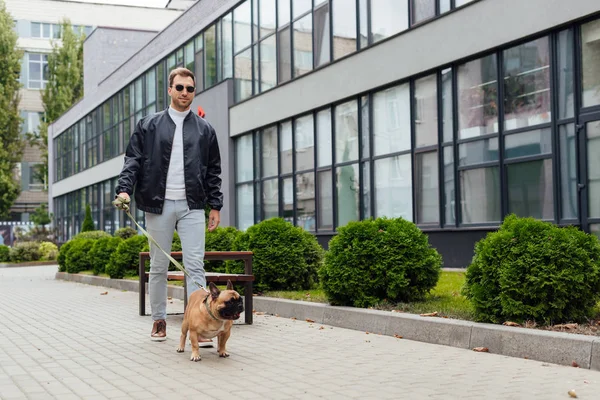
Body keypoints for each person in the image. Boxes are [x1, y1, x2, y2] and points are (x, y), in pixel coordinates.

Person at [114, 67, 223, 344]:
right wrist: (124, 190)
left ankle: (202, 322)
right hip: (157, 205)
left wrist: (215, 205)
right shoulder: (148, 125)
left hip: (193, 206)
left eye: (190, 88)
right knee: (159, 265)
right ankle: (159, 320)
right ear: (170, 90)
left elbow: (213, 171)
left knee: (195, 266)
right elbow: (133, 160)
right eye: (180, 87)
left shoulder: (205, 130)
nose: (185, 92)